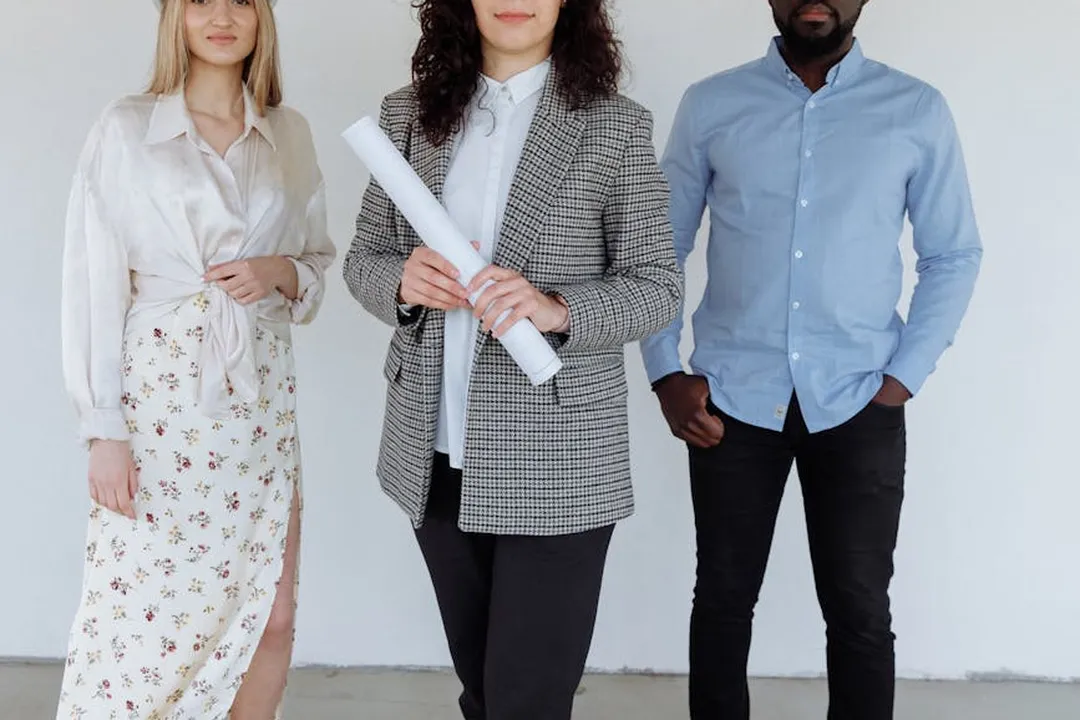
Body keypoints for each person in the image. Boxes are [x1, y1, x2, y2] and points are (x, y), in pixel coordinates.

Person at [640, 1, 982, 718]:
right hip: (730, 400)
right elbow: (658, 247)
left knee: (860, 609)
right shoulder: (712, 104)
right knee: (723, 599)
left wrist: (901, 381)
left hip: (859, 399)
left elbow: (952, 254)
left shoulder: (916, 109)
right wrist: (665, 369)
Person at [342, 0, 682, 716]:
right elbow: (363, 259)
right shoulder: (408, 114)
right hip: (433, 446)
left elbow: (658, 287)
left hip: (558, 454)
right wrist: (402, 280)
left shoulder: (616, 125)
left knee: (526, 700)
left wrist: (555, 309)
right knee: (484, 692)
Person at [56, 0, 335, 717]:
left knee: (271, 615)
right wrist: (103, 429)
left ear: (261, 17)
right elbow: (92, 283)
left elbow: (314, 265)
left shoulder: (290, 133)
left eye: (241, 0)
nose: (222, 17)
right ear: (175, 16)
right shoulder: (126, 128)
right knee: (153, 629)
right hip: (161, 411)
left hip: (261, 407)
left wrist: (278, 270)